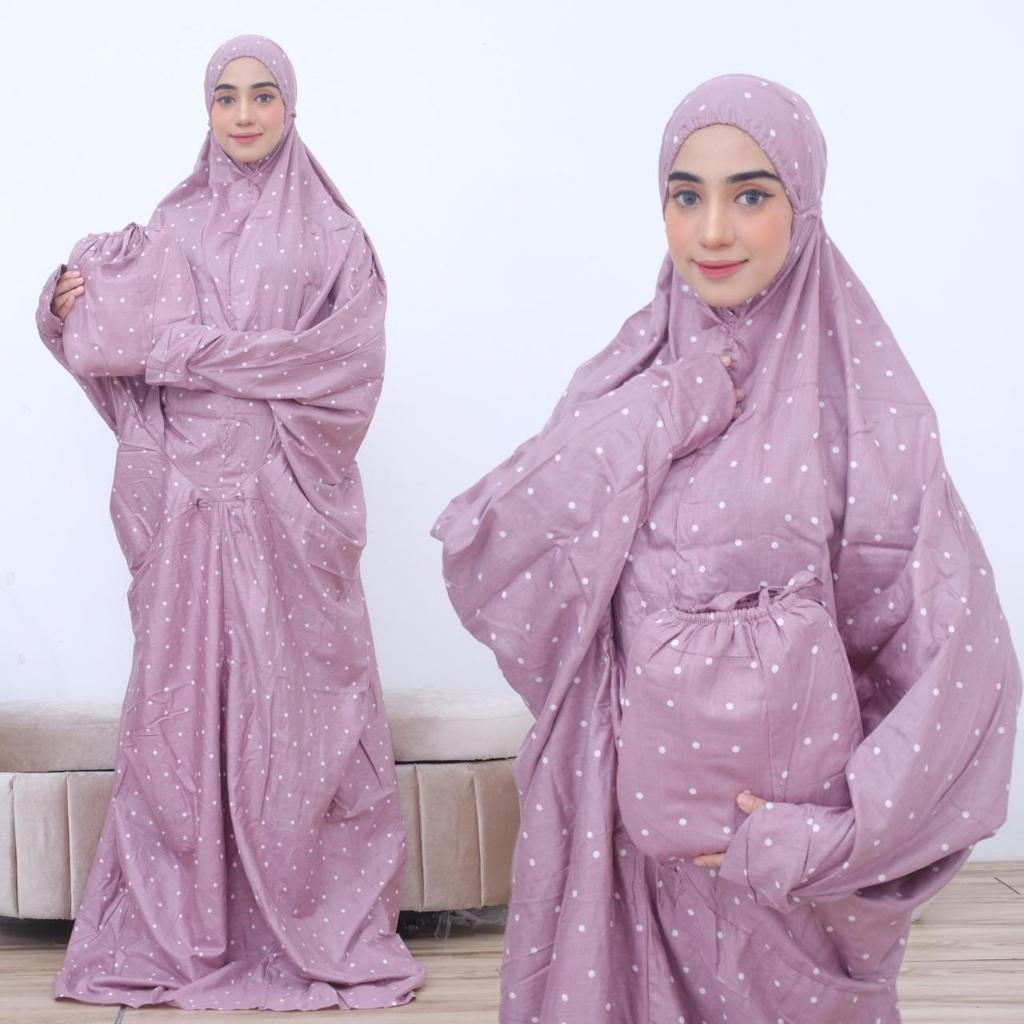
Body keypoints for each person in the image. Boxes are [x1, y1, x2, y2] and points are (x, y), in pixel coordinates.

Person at [433, 74, 1021, 1022]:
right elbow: (493, 546)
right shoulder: (629, 380)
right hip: (623, 853)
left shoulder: (868, 410)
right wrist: (667, 408)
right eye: (685, 195)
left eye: (750, 195)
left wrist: (822, 841)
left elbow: (960, 667)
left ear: (804, 201)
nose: (712, 231)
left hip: (780, 881)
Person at [37, 35, 426, 1011]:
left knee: (299, 713)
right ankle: (185, 925)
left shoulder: (332, 238)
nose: (244, 113)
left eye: (262, 95)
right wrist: (62, 311)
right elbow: (119, 350)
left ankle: (310, 920)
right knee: (179, 716)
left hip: (286, 504)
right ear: (206, 109)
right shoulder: (171, 227)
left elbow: (347, 363)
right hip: (185, 504)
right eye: (226, 96)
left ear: (291, 106)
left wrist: (200, 354)